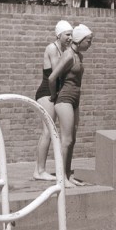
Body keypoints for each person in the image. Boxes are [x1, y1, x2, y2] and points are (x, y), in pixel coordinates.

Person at [49, 24, 93, 187]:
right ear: (80, 40)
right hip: (65, 99)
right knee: (66, 140)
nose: (90, 44)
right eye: (88, 40)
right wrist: (54, 96)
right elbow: (52, 78)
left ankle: (68, 175)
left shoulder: (78, 56)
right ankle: (62, 178)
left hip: (75, 100)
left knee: (72, 140)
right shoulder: (68, 55)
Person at [32, 20, 72, 181]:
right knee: (48, 130)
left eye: (71, 35)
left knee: (53, 131)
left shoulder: (64, 50)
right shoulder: (52, 48)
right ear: (59, 35)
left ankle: (41, 169)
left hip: (56, 93)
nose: (70, 38)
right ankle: (39, 171)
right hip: (47, 93)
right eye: (67, 35)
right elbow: (56, 73)